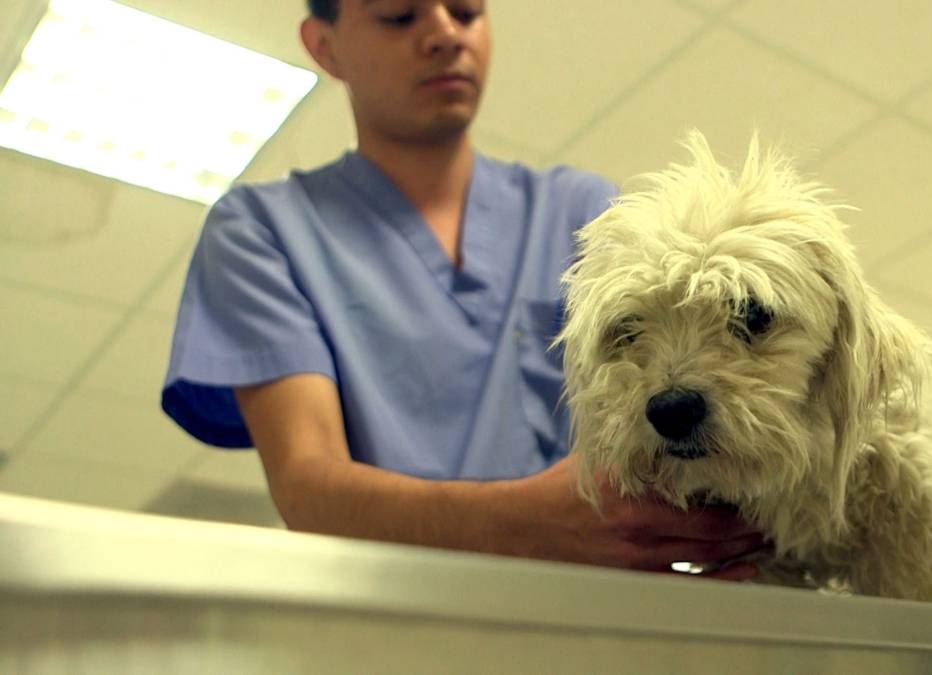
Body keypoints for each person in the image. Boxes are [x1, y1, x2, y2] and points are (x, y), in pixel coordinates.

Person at [161, 0, 762, 579]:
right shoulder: (265, 230)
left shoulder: (585, 212)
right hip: (389, 626)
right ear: (325, 45)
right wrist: (526, 525)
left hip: (591, 622)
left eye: (467, 11)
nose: (446, 34)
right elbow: (308, 488)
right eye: (400, 14)